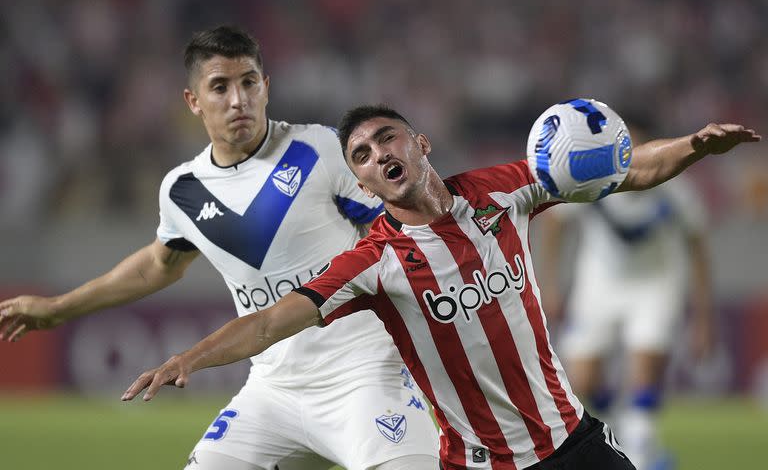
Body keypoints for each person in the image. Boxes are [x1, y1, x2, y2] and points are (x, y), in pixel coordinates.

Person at [118, 103, 760, 469]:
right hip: (475, 464)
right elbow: (265, 323)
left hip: (570, 443)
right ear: (363, 186)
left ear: (420, 143)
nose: (376, 155)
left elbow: (621, 170)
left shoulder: (503, 190)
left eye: (385, 138)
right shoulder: (374, 262)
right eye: (361, 157)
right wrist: (189, 359)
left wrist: (694, 146)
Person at [0, 29, 439, 470]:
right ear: (193, 101)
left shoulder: (323, 150)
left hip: (367, 375)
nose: (238, 100)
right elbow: (156, 266)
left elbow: (408, 226)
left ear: (266, 87)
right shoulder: (183, 190)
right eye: (220, 87)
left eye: (249, 82)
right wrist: (57, 308)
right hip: (274, 390)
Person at [538, 122, 714, 470]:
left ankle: (643, 449)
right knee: (584, 378)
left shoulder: (674, 187)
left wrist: (703, 317)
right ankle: (623, 432)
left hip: (657, 284)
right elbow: (556, 223)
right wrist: (551, 283)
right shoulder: (593, 179)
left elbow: (697, 246)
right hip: (598, 285)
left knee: (644, 368)